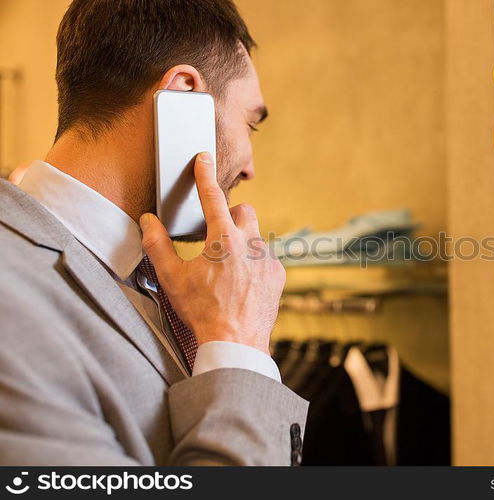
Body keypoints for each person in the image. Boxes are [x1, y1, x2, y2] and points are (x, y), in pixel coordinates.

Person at [0, 0, 308, 465]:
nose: (249, 167)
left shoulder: (150, 280)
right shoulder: (9, 297)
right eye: (250, 123)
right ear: (183, 94)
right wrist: (238, 347)